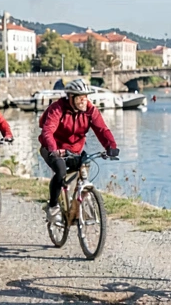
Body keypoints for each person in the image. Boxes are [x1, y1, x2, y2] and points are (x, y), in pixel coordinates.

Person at [38, 78, 118, 225]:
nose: (83, 100)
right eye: (79, 97)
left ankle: (77, 209)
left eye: (85, 96)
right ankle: (53, 207)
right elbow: (47, 131)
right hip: (53, 148)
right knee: (61, 171)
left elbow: (102, 130)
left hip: (75, 150)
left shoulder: (90, 110)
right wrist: (54, 149)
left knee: (83, 168)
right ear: (70, 97)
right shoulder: (58, 108)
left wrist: (111, 147)